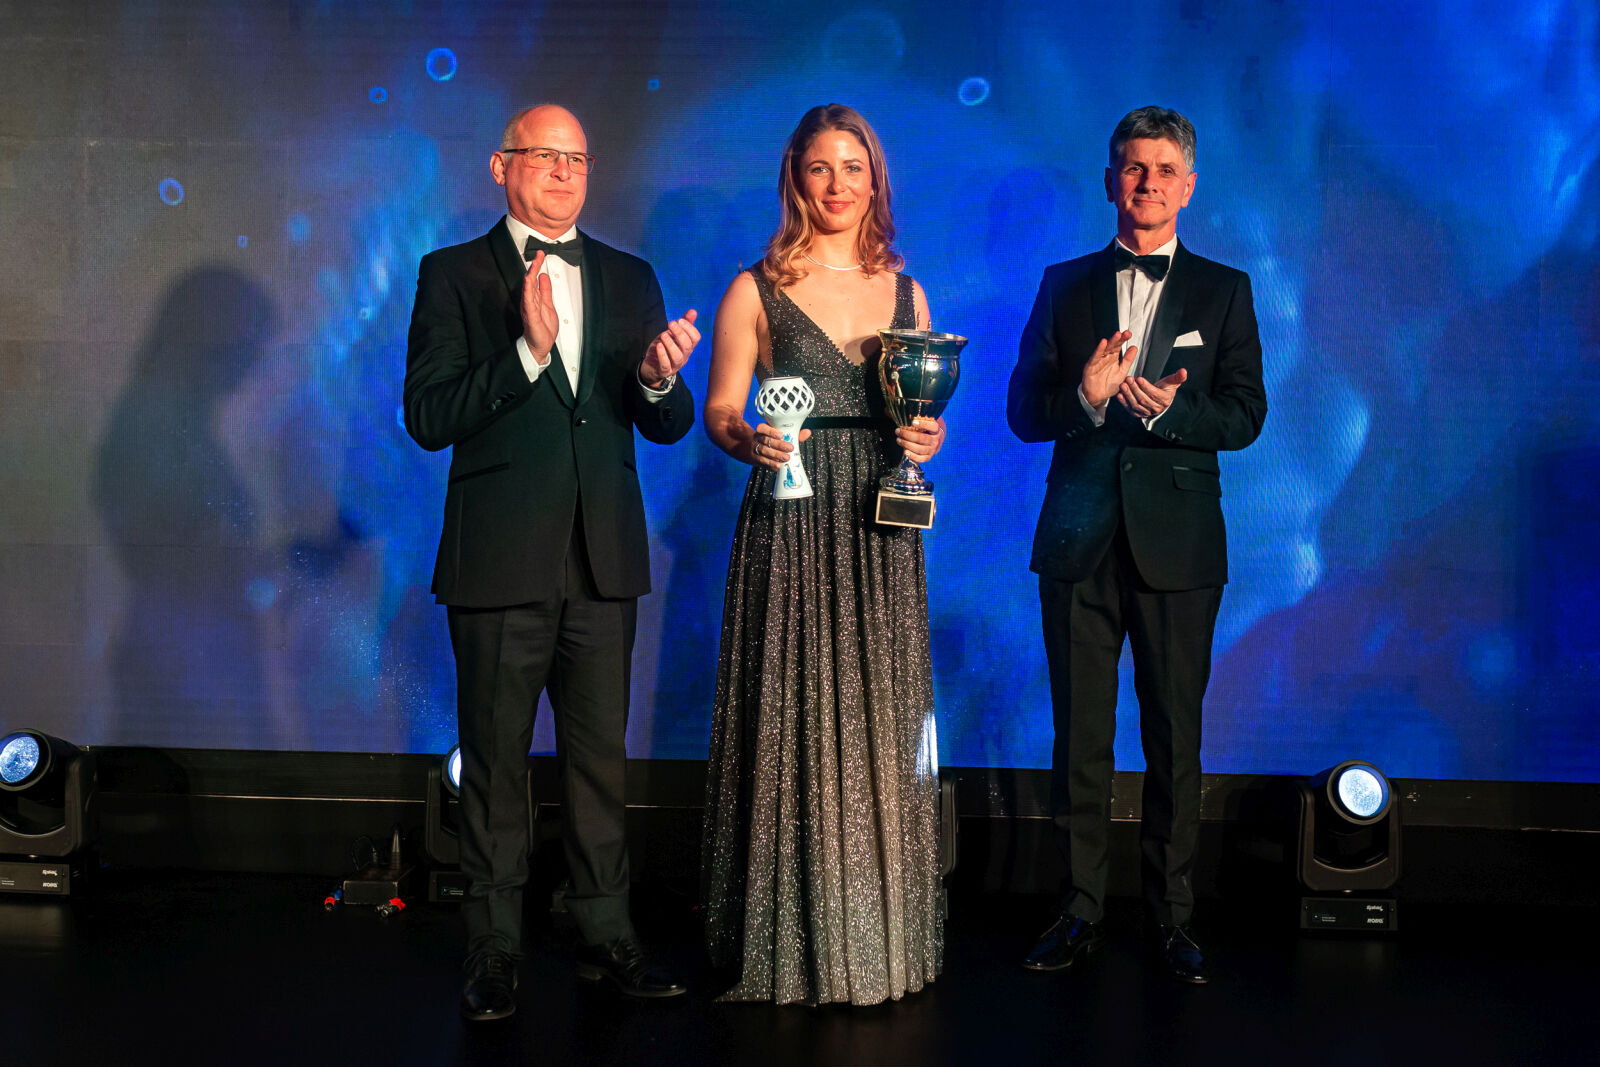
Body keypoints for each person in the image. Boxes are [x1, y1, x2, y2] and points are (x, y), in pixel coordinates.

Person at [403, 104, 701, 1020]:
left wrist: (659, 380)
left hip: (603, 562)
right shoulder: (452, 274)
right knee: (495, 765)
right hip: (499, 562)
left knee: (599, 762)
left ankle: (606, 930)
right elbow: (429, 417)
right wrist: (527, 353)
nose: (566, 171)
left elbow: (666, 423)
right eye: (545, 154)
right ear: (501, 166)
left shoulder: (629, 276)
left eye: (578, 157)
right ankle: (493, 946)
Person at [1007, 106, 1267, 984]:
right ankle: (1079, 909)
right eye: (1132, 167)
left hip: (1179, 547)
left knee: (1174, 739)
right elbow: (1021, 411)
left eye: (1163, 170)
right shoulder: (1063, 284)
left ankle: (1171, 915)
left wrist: (1174, 410)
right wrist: (1084, 398)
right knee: (1079, 738)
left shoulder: (1226, 289)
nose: (1147, 182)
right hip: (1077, 540)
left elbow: (1247, 414)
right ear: (1110, 180)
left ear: (1188, 187)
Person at [699, 104, 946, 1005]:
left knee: (879, 718)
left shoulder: (909, 294)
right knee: (794, 710)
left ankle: (876, 938)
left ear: (875, 180)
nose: (837, 185)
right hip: (793, 514)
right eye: (819, 168)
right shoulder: (753, 288)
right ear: (794, 178)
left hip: (882, 525)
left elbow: (924, 413)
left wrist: (928, 437)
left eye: (853, 167)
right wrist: (749, 440)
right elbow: (721, 410)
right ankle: (791, 939)